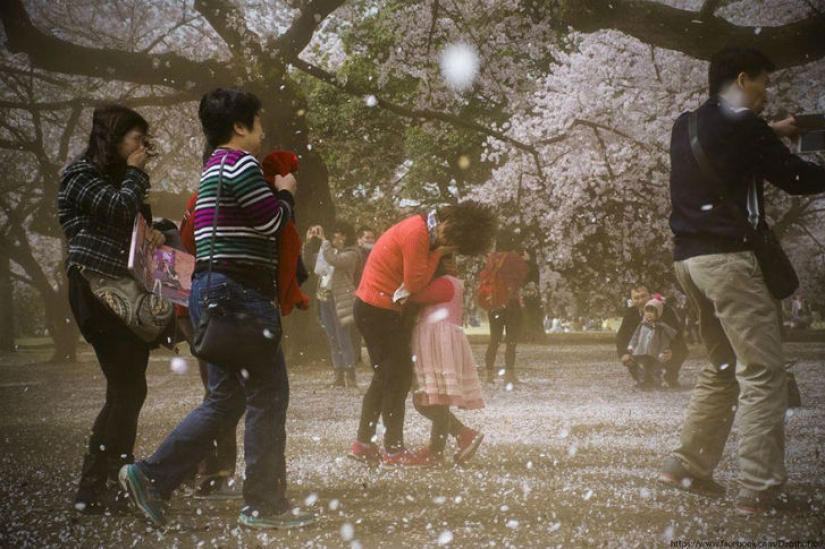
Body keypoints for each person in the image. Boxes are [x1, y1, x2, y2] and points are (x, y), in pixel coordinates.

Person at [119, 87, 314, 529]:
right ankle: (263, 504)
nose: (261, 133)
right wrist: (285, 193)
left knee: (226, 400)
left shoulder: (212, 168)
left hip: (211, 292)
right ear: (239, 126)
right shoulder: (240, 163)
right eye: (258, 124)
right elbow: (270, 222)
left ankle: (150, 476)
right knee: (269, 395)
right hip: (240, 295)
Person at [659, 47, 825, 516]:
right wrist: (770, 133)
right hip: (731, 263)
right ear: (742, 79)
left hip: (690, 262)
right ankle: (760, 488)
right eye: (763, 83)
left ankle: (686, 465)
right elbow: (796, 178)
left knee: (723, 367)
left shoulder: (686, 124)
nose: (766, 93)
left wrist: (772, 130)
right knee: (764, 374)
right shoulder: (747, 128)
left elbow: (729, 142)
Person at [58, 104, 163, 514]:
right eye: (136, 139)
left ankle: (101, 485)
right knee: (127, 388)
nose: (142, 147)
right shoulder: (79, 175)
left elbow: (133, 224)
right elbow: (118, 209)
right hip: (96, 293)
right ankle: (108, 482)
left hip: (125, 293)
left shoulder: (122, 180)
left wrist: (155, 233)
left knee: (127, 388)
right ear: (113, 138)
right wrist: (136, 173)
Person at [348, 203, 496, 466]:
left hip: (377, 308)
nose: (445, 245)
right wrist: (437, 254)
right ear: (447, 221)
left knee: (386, 377)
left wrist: (437, 253)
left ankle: (364, 443)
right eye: (447, 238)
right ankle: (392, 449)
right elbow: (414, 283)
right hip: (377, 309)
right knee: (398, 378)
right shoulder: (417, 233)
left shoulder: (422, 232)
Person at [408, 255, 485, 466]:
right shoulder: (452, 283)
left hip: (436, 346)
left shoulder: (445, 284)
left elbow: (414, 296)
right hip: (439, 345)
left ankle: (461, 435)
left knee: (426, 401)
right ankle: (439, 448)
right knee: (436, 399)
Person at [307, 221, 360, 388]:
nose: (334, 235)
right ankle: (339, 376)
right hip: (325, 298)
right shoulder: (328, 250)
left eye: (338, 232)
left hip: (340, 300)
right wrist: (308, 243)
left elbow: (335, 260)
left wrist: (324, 242)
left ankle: (350, 375)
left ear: (345, 235)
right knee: (332, 338)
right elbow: (310, 263)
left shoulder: (351, 253)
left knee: (343, 337)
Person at [616, 284, 687, 388]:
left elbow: (677, 334)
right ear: (631, 300)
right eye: (636, 298)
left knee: (681, 350)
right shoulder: (631, 313)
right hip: (641, 349)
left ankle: (670, 376)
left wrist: (671, 350)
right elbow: (621, 337)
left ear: (650, 295)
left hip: (662, 347)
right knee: (631, 356)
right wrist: (624, 353)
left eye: (643, 296)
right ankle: (641, 378)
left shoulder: (666, 310)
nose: (641, 300)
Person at [483, 249, 529, 385]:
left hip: (495, 303)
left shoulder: (492, 258)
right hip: (511, 302)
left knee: (494, 339)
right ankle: (509, 374)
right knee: (511, 341)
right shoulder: (514, 257)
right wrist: (526, 260)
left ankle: (488, 374)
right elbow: (525, 274)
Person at [626, 298, 676, 391]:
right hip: (641, 351)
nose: (649, 314)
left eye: (652, 312)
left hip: (655, 352)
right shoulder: (642, 325)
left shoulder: (660, 328)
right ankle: (642, 384)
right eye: (647, 311)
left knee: (656, 369)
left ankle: (656, 384)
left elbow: (665, 342)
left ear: (658, 313)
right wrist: (631, 345)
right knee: (641, 368)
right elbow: (635, 336)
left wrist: (662, 352)